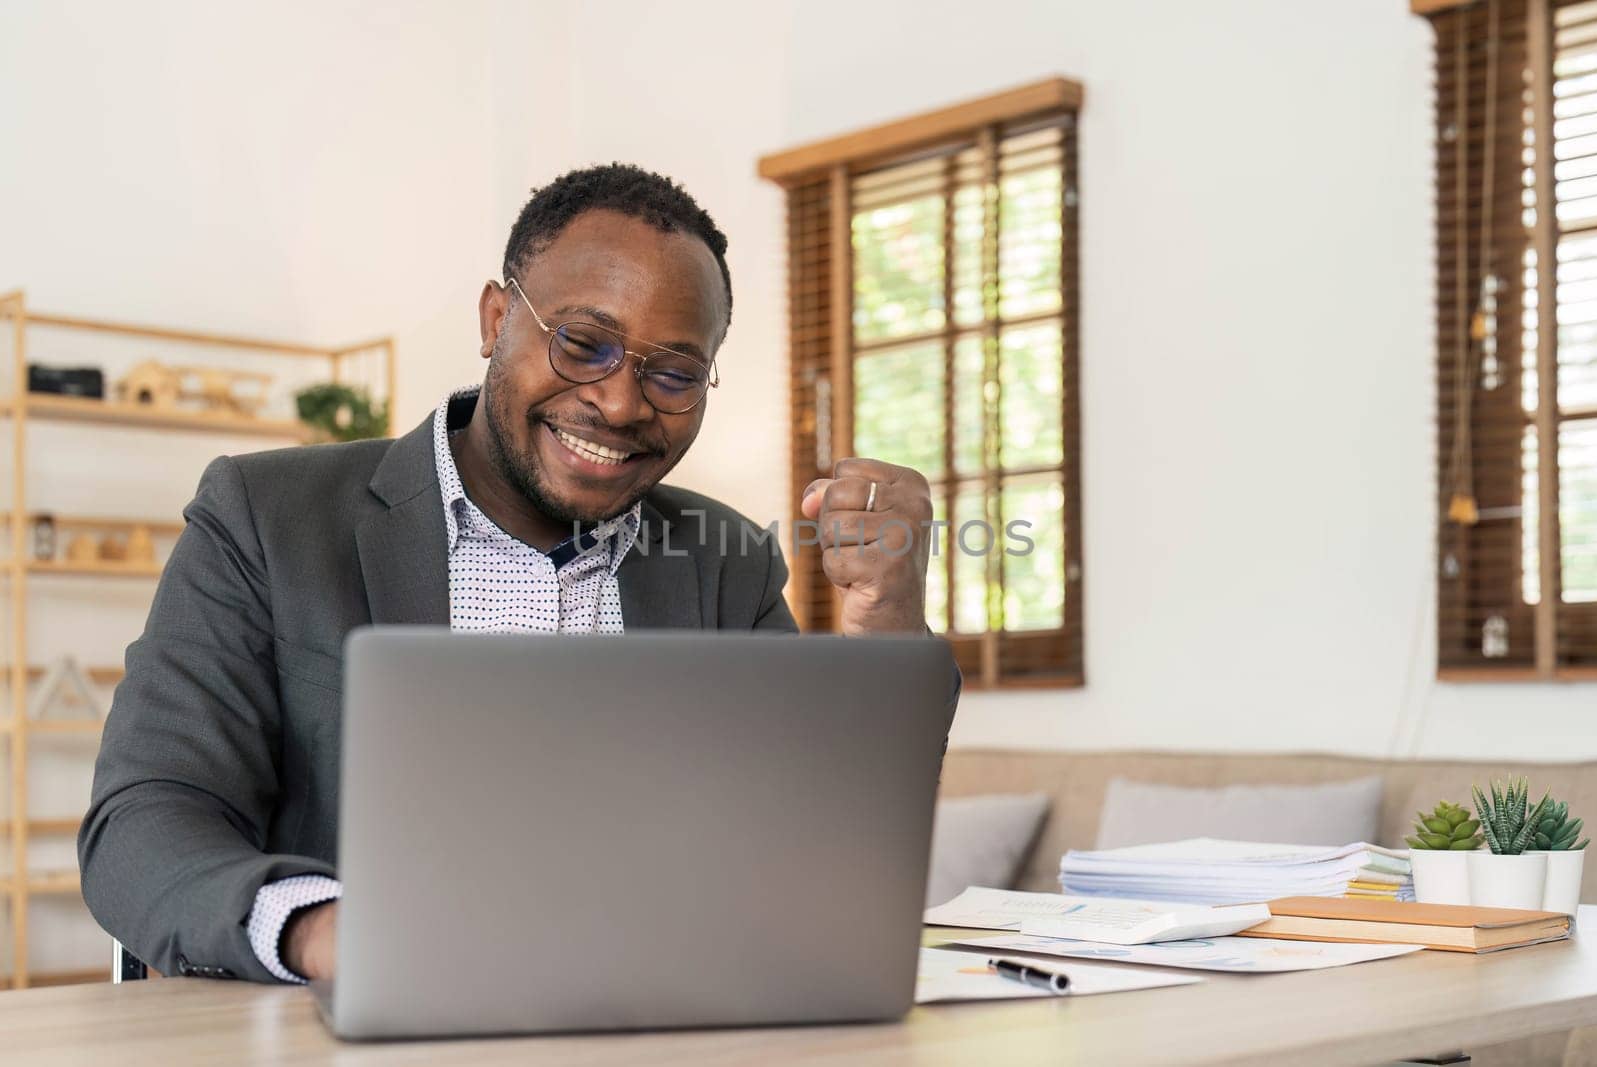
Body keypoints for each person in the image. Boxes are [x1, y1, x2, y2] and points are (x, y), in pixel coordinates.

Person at [78, 163, 949, 985]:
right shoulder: (266, 518)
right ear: (498, 319)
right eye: (583, 343)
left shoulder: (727, 562)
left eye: (674, 372)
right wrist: (330, 930)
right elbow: (144, 819)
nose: (617, 402)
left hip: (656, 1025)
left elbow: (828, 851)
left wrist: (891, 620)